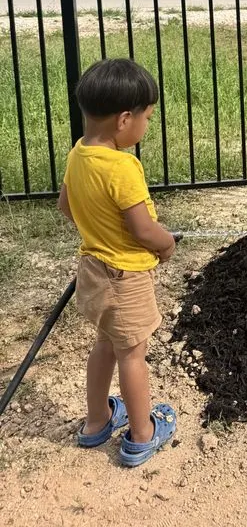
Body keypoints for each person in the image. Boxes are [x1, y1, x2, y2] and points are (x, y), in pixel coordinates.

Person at [57, 58, 177, 467]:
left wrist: (99, 231)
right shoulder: (123, 166)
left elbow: (65, 206)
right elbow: (144, 230)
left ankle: (96, 422)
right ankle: (143, 434)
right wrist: (166, 245)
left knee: (105, 344)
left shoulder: (79, 154)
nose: (146, 124)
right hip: (125, 277)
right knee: (133, 354)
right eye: (147, 117)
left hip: (92, 270)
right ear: (125, 120)